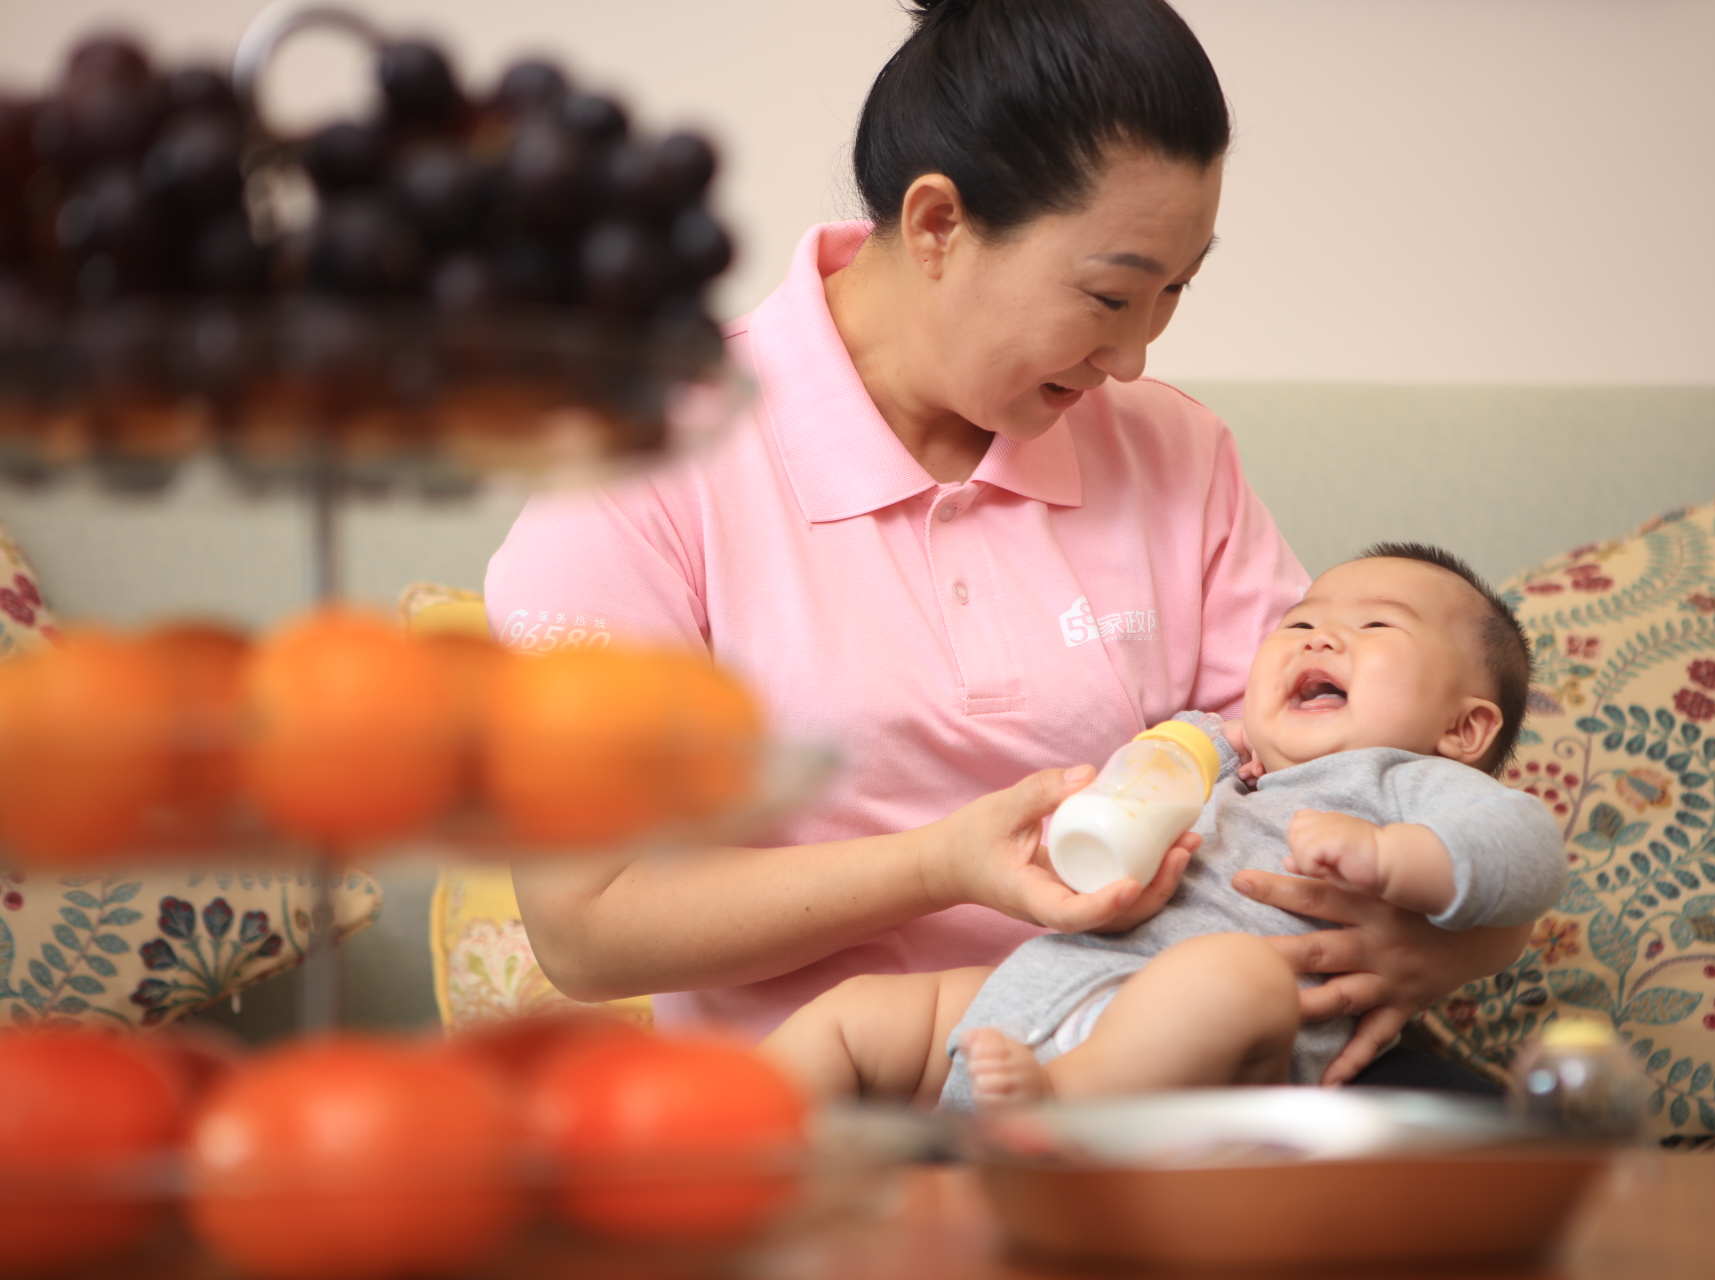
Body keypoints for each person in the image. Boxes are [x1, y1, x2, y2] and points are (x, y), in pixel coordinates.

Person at [489, 0, 1530, 1085]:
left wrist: (1453, 941)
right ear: (938, 223)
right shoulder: (647, 459)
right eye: (1110, 293)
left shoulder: (1174, 450)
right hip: (853, 1093)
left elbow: (1389, 777)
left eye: (1174, 293)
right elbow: (587, 925)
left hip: (1181, 1084)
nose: (1131, 358)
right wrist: (942, 864)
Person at [761, 547, 1567, 1108]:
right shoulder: (1219, 766)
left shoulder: (1405, 784)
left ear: (1464, 731)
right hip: (1031, 997)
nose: (1320, 635)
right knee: (862, 1014)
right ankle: (722, 1143)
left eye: (1378, 628)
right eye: (1300, 622)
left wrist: (1395, 856)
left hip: (1201, 1067)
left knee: (1232, 976)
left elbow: (1529, 850)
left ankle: (1061, 1108)